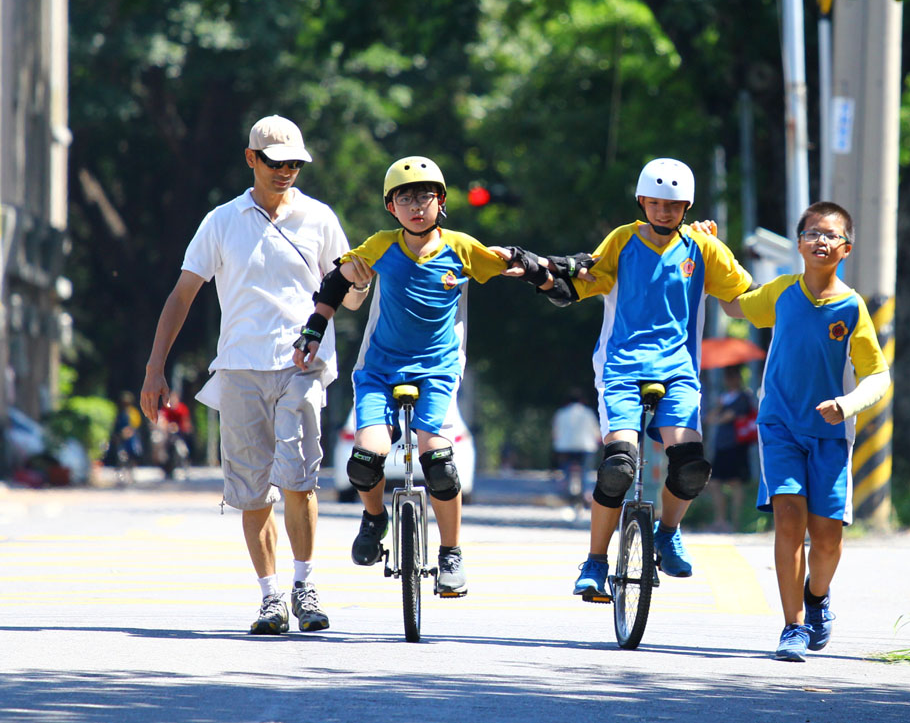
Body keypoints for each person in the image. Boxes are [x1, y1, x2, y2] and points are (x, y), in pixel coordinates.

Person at [140, 114, 369, 635]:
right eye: (275, 161)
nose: (286, 170)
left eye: (294, 163)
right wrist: (156, 369)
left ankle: (305, 586)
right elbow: (182, 295)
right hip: (240, 365)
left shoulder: (319, 218)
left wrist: (358, 283)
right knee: (250, 490)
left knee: (298, 477)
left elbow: (350, 297)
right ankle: (271, 598)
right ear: (252, 160)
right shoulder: (221, 221)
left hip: (303, 362)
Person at [513, 158, 753, 599]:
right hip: (622, 366)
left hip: (679, 369)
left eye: (674, 205)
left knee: (692, 466)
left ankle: (667, 532)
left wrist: (727, 255)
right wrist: (542, 278)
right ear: (642, 201)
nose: (664, 212)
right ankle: (596, 561)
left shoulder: (703, 248)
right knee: (618, 467)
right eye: (656, 203)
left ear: (688, 206)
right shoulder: (622, 239)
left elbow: (739, 295)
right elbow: (579, 286)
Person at [293, 155, 522, 596]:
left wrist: (545, 270)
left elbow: (512, 266)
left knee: (439, 463)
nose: (416, 206)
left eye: (424, 197)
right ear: (390, 207)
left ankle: (451, 552)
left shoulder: (461, 248)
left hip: (437, 369)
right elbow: (334, 284)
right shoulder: (380, 244)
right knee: (365, 459)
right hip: (379, 368)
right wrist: (314, 330)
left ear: (441, 202)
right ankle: (375, 516)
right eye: (404, 198)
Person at [721, 201, 890, 662]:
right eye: (812, 232)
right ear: (798, 244)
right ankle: (792, 625)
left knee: (829, 537)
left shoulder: (852, 308)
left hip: (831, 434)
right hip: (778, 425)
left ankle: (817, 597)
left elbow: (878, 376)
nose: (821, 240)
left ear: (846, 248)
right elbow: (733, 304)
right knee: (789, 517)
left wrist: (847, 404)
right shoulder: (780, 293)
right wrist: (711, 246)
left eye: (831, 235)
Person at [704, 365, 756, 532]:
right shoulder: (723, 397)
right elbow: (710, 417)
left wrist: (719, 416)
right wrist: (719, 409)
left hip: (737, 445)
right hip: (722, 445)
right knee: (715, 482)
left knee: (735, 483)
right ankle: (721, 520)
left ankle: (736, 521)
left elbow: (729, 417)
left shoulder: (744, 396)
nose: (730, 380)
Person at [551, 389, 602, 508]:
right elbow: (596, 432)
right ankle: (586, 494)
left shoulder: (561, 413)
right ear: (582, 401)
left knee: (566, 470)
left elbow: (555, 433)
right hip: (586, 446)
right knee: (585, 472)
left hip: (565, 447)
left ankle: (567, 492)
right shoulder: (588, 413)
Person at [157, 389, 193, 478]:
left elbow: (186, 422)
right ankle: (163, 466)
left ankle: (185, 466)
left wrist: (179, 427)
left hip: (179, 434)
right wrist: (167, 427)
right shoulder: (166, 409)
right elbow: (162, 420)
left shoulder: (182, 409)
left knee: (183, 450)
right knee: (160, 445)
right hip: (168, 434)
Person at [108, 391, 144, 473]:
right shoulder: (119, 413)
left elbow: (136, 426)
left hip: (130, 435)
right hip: (120, 435)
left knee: (133, 448)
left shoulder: (134, 413)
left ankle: (132, 465)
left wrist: (128, 432)